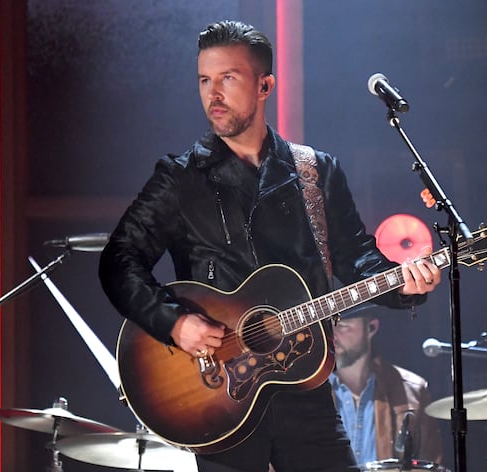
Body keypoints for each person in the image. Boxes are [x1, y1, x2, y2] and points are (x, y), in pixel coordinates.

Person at [98, 19, 441, 472]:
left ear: (265, 85)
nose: (212, 94)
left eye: (228, 78)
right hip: (217, 395)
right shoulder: (179, 178)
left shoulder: (316, 172)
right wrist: (174, 323)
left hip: (307, 389)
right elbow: (118, 261)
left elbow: (359, 257)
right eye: (204, 79)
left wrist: (406, 285)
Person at [330, 302, 443, 468]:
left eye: (343, 326)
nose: (334, 335)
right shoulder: (312, 392)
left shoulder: (412, 390)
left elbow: (430, 463)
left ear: (371, 328)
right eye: (330, 327)